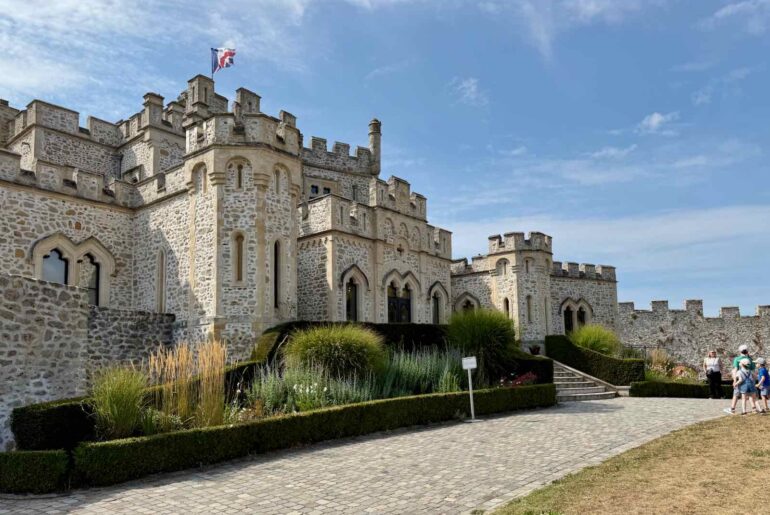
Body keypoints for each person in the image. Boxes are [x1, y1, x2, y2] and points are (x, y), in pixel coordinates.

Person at [724, 344, 754, 415]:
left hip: (740, 378)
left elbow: (735, 370)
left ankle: (732, 409)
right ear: (747, 351)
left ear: (740, 351)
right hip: (749, 379)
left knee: (736, 394)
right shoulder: (750, 359)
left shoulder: (737, 359)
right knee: (750, 395)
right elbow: (753, 370)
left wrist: (734, 380)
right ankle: (754, 408)